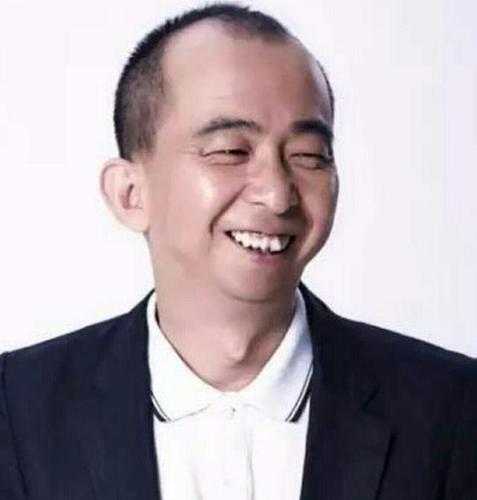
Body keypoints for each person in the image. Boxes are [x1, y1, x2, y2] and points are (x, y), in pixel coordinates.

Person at [0, 3, 475, 500]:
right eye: (230, 151)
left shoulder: (453, 412)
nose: (277, 193)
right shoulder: (19, 411)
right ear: (130, 194)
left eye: (308, 156)